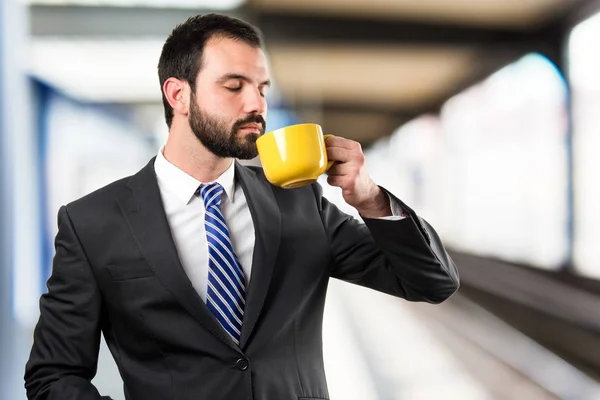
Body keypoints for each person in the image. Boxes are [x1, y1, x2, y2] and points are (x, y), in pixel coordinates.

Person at [24, 13, 459, 400]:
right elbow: (53, 375)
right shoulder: (92, 222)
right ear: (178, 95)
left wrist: (370, 198)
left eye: (262, 88)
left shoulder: (298, 200)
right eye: (234, 86)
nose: (256, 104)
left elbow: (431, 282)